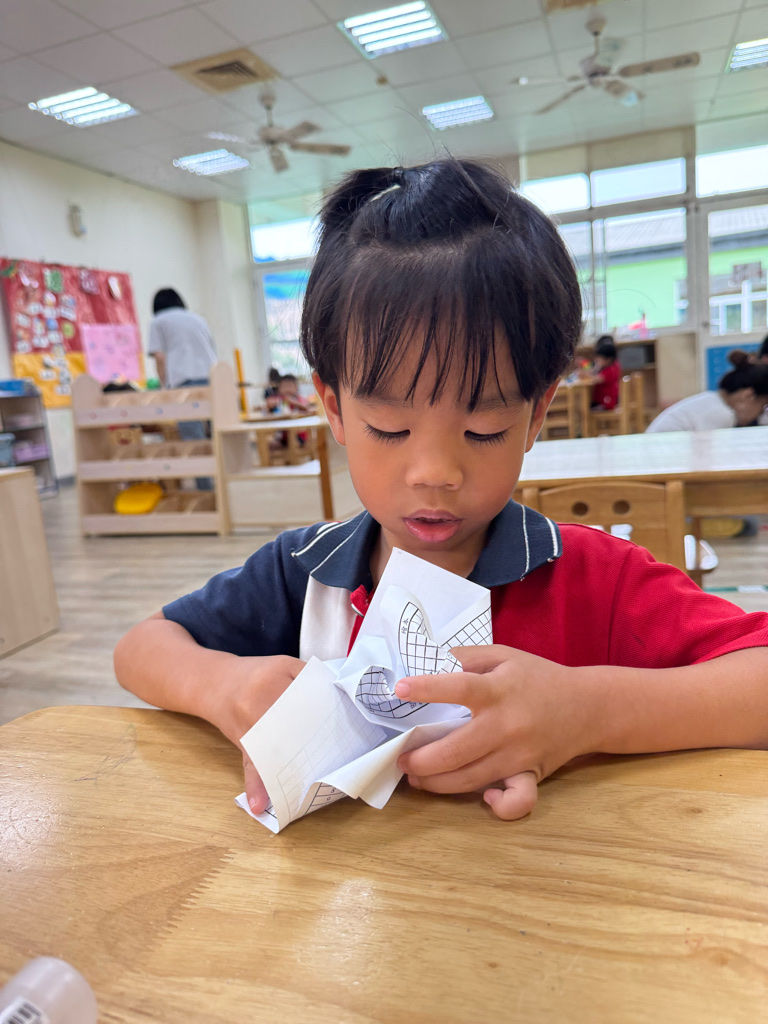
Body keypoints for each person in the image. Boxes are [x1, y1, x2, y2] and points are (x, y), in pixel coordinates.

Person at [115, 160, 768, 825]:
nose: (434, 472)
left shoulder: (593, 580)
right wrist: (227, 688)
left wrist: (586, 710)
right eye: (389, 428)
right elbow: (141, 647)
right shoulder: (303, 573)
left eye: (483, 429)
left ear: (536, 415)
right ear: (334, 408)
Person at [148, 288, 216, 489]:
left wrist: (164, 387)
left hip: (183, 383)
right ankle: (226, 486)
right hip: (212, 379)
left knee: (194, 440)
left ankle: (207, 490)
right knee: (217, 435)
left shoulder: (158, 321)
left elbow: (160, 357)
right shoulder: (197, 318)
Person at [646, 351, 768, 432]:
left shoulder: (711, 400)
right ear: (748, 395)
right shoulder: (722, 414)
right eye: (761, 407)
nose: (759, 415)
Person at [590, 336, 621, 410]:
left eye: (599, 359)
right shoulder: (610, 366)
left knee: (586, 408)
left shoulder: (611, 369)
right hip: (604, 401)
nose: (597, 361)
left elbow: (598, 379)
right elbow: (592, 369)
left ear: (608, 359)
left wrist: (585, 374)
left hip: (606, 403)